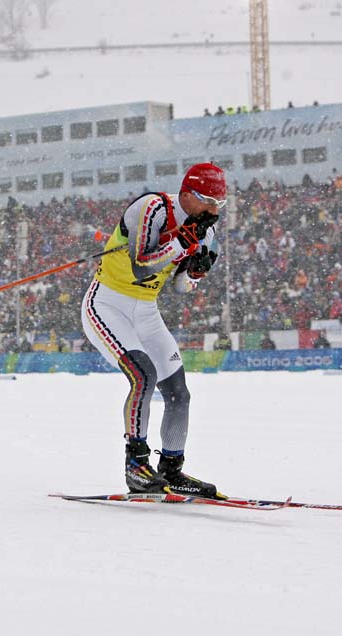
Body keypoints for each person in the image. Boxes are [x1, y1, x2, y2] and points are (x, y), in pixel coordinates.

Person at [81, 163, 226, 497]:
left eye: (221, 204)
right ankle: (136, 465)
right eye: (210, 201)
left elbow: (179, 288)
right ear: (189, 195)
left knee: (179, 393)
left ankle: (171, 469)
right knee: (143, 375)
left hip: (145, 311)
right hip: (107, 304)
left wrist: (195, 273)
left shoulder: (206, 232)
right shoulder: (153, 209)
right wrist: (180, 243)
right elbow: (142, 266)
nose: (215, 210)